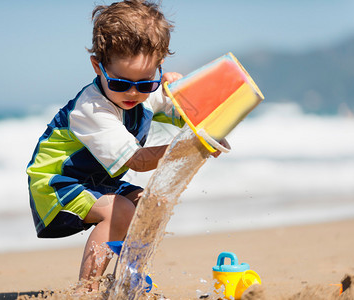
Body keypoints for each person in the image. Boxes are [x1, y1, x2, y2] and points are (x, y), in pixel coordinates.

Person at [26, 0, 222, 291]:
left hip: (100, 180)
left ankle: (129, 281)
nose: (133, 93)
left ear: (158, 69)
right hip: (56, 183)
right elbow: (138, 161)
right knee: (118, 211)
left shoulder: (148, 94)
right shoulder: (92, 109)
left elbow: (191, 117)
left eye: (145, 84)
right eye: (120, 83)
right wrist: (190, 148)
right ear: (98, 65)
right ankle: (87, 290)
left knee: (151, 206)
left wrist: (181, 92)